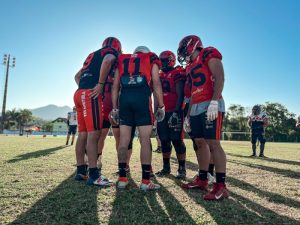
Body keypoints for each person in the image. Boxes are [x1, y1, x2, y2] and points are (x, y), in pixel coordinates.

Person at [178, 35, 228, 200]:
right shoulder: (190, 66)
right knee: (199, 143)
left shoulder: (207, 53)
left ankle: (221, 185)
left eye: (184, 49)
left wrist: (214, 101)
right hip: (196, 106)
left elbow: (220, 77)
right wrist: (188, 115)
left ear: (192, 46)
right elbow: (192, 91)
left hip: (210, 103)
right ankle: (203, 178)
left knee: (213, 143)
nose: (183, 54)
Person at [111, 46, 165, 191]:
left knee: (123, 141)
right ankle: (145, 181)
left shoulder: (122, 60)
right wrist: (161, 105)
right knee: (145, 140)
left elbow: (115, 86)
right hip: (142, 99)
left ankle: (122, 179)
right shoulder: (150, 58)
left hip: (125, 100)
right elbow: (156, 82)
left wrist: (115, 108)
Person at [73, 37, 121, 186]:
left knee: (83, 134)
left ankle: (81, 171)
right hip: (90, 94)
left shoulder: (93, 54)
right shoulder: (110, 52)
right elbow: (108, 60)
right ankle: (94, 174)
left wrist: (84, 87)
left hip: (79, 93)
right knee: (94, 134)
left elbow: (77, 76)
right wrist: (99, 84)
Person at [155, 50, 187, 179]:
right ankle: (166, 167)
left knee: (177, 140)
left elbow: (180, 94)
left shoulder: (177, 72)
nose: (161, 64)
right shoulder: (159, 75)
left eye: (163, 61)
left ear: (170, 60)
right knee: (164, 140)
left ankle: (182, 169)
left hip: (174, 111)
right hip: (163, 112)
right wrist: (156, 111)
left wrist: (177, 111)